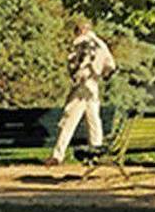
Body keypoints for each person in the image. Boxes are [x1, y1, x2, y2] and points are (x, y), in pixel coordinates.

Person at [45, 20, 116, 166]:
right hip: (93, 85)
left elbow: (74, 64)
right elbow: (111, 66)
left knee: (68, 120)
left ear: (80, 31)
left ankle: (58, 155)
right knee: (94, 121)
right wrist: (99, 73)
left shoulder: (80, 43)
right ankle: (96, 154)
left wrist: (76, 75)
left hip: (82, 84)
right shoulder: (100, 44)